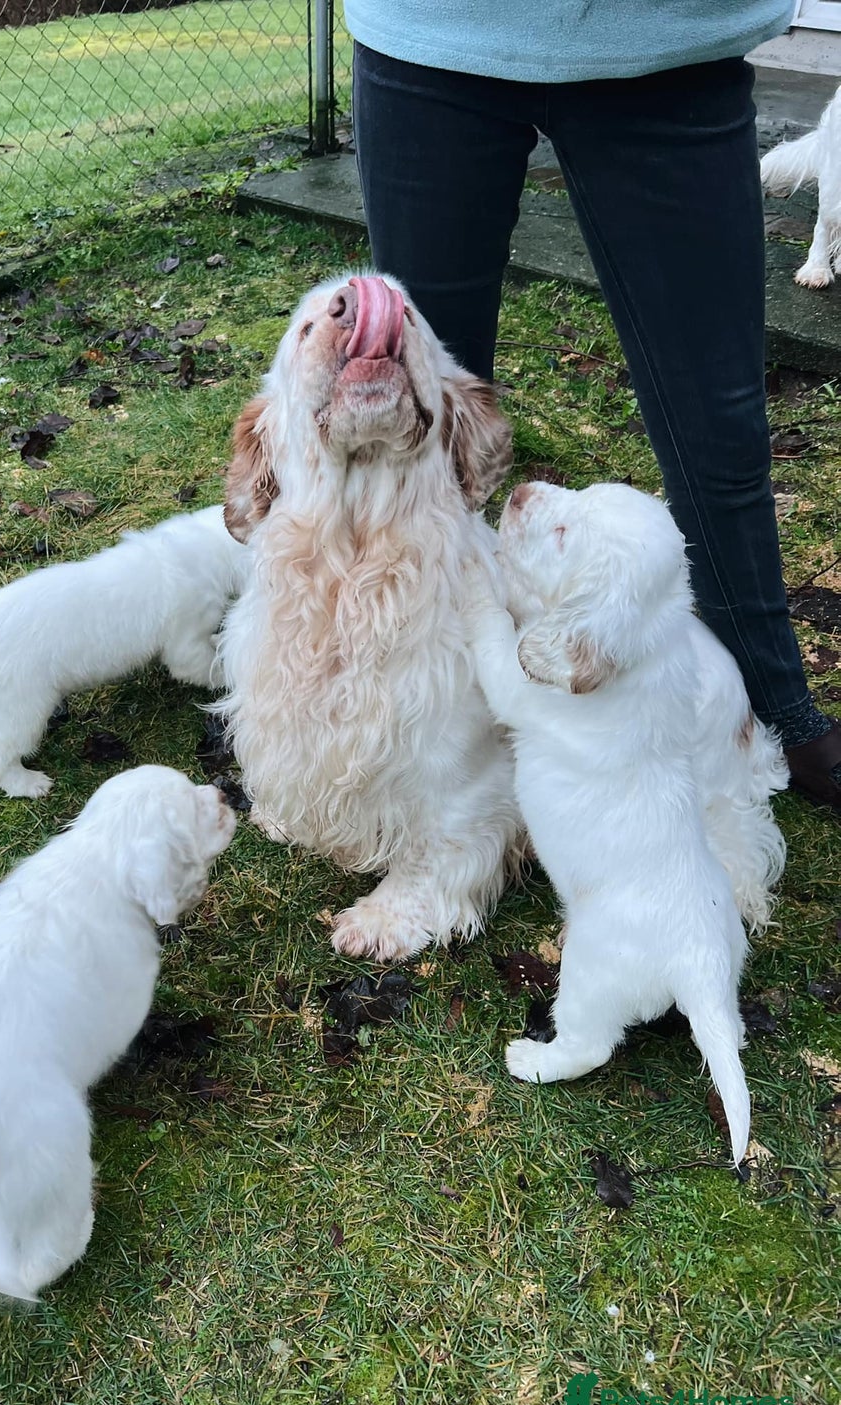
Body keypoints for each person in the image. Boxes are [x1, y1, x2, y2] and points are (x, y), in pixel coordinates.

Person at [345, 0, 840, 816]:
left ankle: (776, 700)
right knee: (424, 423)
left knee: (718, 420)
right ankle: (418, 696)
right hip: (429, 33)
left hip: (669, 36)